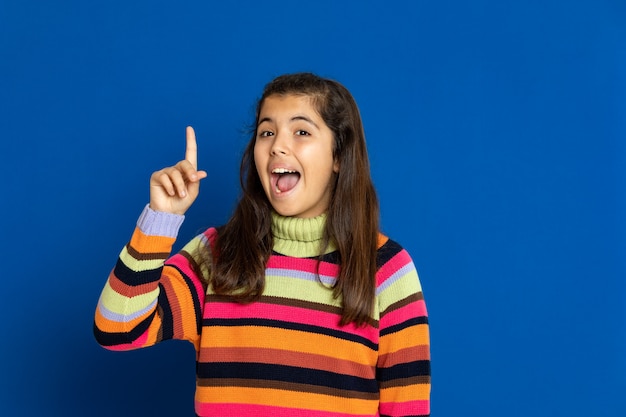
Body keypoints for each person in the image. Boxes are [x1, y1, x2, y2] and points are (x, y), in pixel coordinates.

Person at [94, 72, 431, 416]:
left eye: (301, 132)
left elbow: (407, 409)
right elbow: (118, 327)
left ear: (339, 156)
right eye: (267, 132)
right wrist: (160, 218)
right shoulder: (215, 253)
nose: (277, 146)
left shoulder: (388, 269)